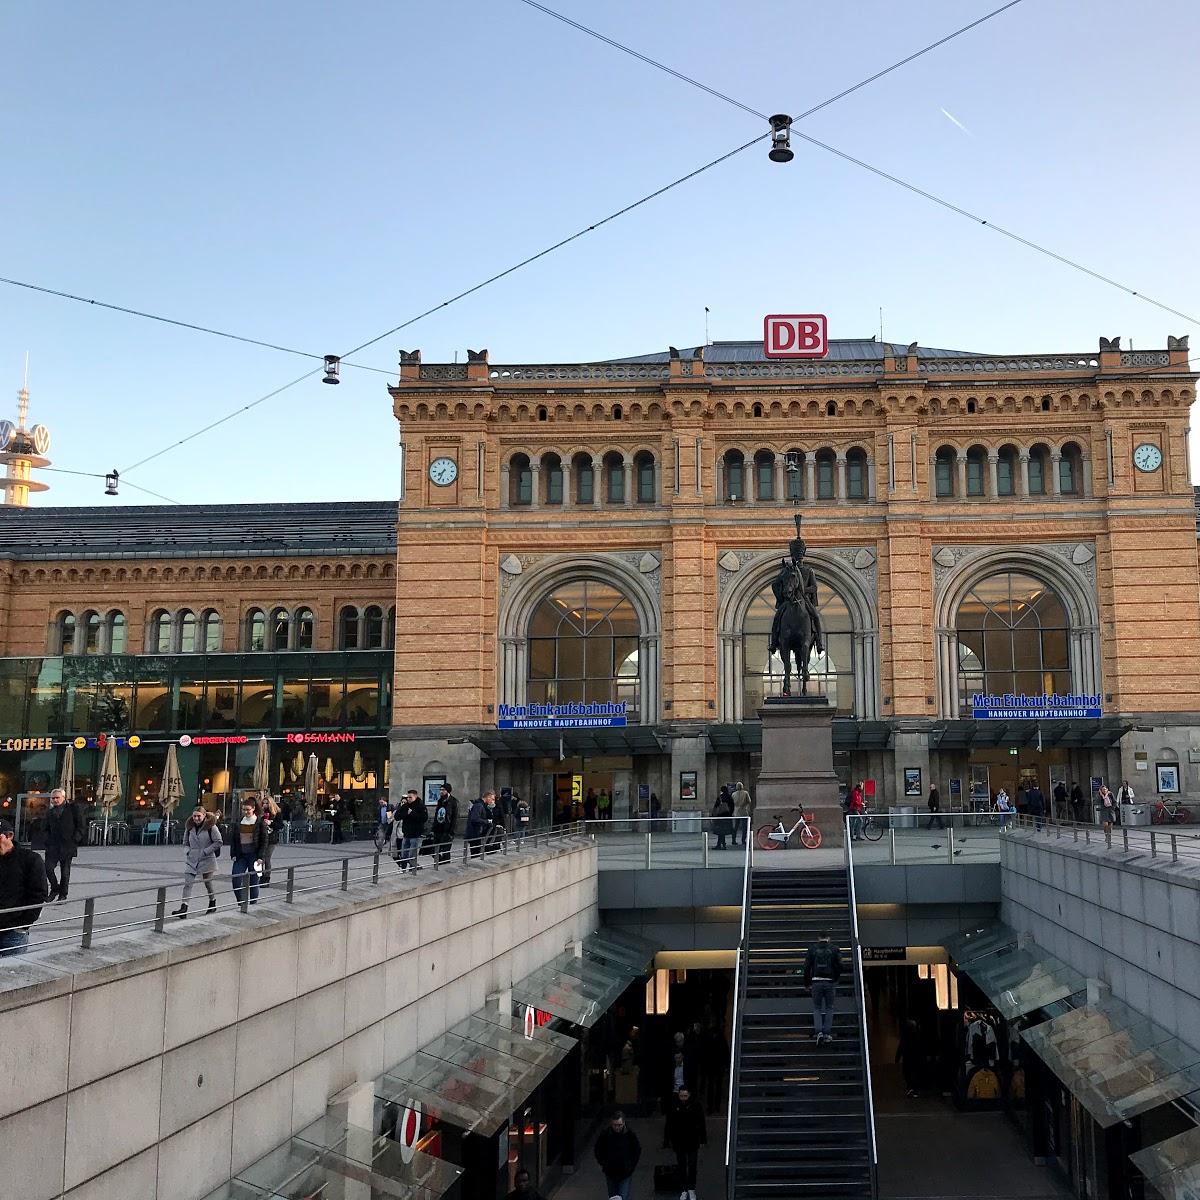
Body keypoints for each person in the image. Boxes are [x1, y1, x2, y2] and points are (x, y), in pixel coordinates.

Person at [0, 818, 49, 956]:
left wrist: (22, 926)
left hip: (13, 932)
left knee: (11, 972)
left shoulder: (30, 860)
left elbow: (39, 894)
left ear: (9, 836)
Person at [173, 806, 222, 918]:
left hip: (207, 858)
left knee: (207, 882)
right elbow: (185, 842)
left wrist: (206, 851)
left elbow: (218, 842)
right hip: (192, 859)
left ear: (204, 816)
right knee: (188, 883)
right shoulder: (189, 827)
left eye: (198, 816)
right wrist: (187, 851)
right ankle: (184, 907)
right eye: (194, 816)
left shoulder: (211, 827)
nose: (196, 818)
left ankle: (212, 901)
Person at [663, 1086, 706, 1200]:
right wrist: (667, 1140)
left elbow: (701, 1121)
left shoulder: (695, 1105)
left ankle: (690, 1188)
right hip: (680, 1140)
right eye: (681, 1096)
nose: (683, 1098)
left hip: (692, 1139)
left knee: (692, 1165)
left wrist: (703, 1139)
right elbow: (669, 1123)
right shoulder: (675, 1106)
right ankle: (684, 1188)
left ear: (689, 1095)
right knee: (682, 1165)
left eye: (685, 1096)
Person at [43, 786, 85, 902]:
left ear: (63, 797)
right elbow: (45, 828)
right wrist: (46, 840)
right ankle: (55, 888)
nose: (55, 800)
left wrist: (75, 839)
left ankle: (63, 894)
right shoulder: (50, 812)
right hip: (53, 846)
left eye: (57, 798)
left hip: (68, 845)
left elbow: (81, 826)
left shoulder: (73, 809)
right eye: (53, 798)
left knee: (65, 872)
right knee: (48, 868)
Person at [802, 930, 843, 1043]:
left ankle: (818, 1031)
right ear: (828, 938)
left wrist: (806, 983)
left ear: (818, 938)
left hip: (816, 982)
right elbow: (840, 965)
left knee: (817, 1008)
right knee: (829, 1007)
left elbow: (806, 968)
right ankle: (827, 1033)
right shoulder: (835, 949)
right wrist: (836, 978)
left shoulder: (812, 949)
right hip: (830, 982)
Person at [593, 1110, 641, 1200]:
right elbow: (598, 1150)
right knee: (614, 1197)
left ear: (623, 1123)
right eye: (615, 1125)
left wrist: (631, 1165)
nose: (617, 1128)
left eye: (619, 1125)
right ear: (611, 1124)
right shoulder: (606, 1134)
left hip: (625, 1172)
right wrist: (604, 1163)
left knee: (622, 1196)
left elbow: (636, 1150)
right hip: (611, 1172)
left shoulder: (630, 1135)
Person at [230, 798, 268, 906]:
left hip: (254, 856)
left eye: (248, 810)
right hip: (241, 855)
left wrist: (261, 856)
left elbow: (264, 841)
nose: (246, 812)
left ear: (254, 809)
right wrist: (233, 853)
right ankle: (241, 902)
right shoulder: (239, 821)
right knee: (236, 878)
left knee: (254, 881)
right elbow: (234, 839)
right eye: (244, 810)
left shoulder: (259, 822)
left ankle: (253, 904)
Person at [395, 788, 427, 872]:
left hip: (415, 834)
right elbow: (397, 816)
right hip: (406, 833)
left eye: (410, 797)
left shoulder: (420, 806)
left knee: (412, 854)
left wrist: (412, 813)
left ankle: (413, 869)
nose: (408, 799)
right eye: (408, 797)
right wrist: (405, 814)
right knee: (404, 854)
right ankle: (403, 868)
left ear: (415, 797)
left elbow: (424, 818)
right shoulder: (405, 806)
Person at [896, 1017, 922, 1098]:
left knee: (907, 1072)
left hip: (907, 1057)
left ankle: (911, 1088)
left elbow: (900, 1047)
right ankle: (914, 1089)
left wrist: (897, 1058)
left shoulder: (905, 1037)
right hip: (915, 1057)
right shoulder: (917, 1036)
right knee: (914, 1073)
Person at [258, 792, 280, 885]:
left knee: (267, 858)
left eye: (267, 803)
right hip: (262, 838)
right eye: (263, 803)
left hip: (271, 839)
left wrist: (271, 823)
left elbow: (280, 825)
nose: (265, 805)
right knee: (260, 858)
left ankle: (266, 877)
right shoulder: (261, 814)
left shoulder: (276, 813)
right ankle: (260, 875)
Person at [464, 793, 490, 858]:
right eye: (491, 798)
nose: (492, 801)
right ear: (487, 797)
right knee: (476, 853)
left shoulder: (480, 805)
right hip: (475, 833)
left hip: (475, 833)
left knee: (476, 853)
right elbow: (475, 819)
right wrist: (486, 821)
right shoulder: (479, 805)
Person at [431, 790, 454, 863]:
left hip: (447, 831)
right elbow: (436, 815)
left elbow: (454, 818)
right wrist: (433, 828)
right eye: (440, 790)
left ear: (448, 791)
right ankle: (439, 863)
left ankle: (445, 864)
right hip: (438, 830)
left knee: (445, 851)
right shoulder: (440, 801)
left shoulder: (453, 802)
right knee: (434, 850)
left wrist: (451, 831)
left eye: (443, 790)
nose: (441, 791)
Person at [730, 781, 753, 846]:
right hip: (743, 811)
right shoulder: (745, 793)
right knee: (744, 827)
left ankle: (733, 840)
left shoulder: (733, 794)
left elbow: (731, 803)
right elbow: (749, 801)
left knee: (735, 827)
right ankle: (743, 840)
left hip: (736, 812)